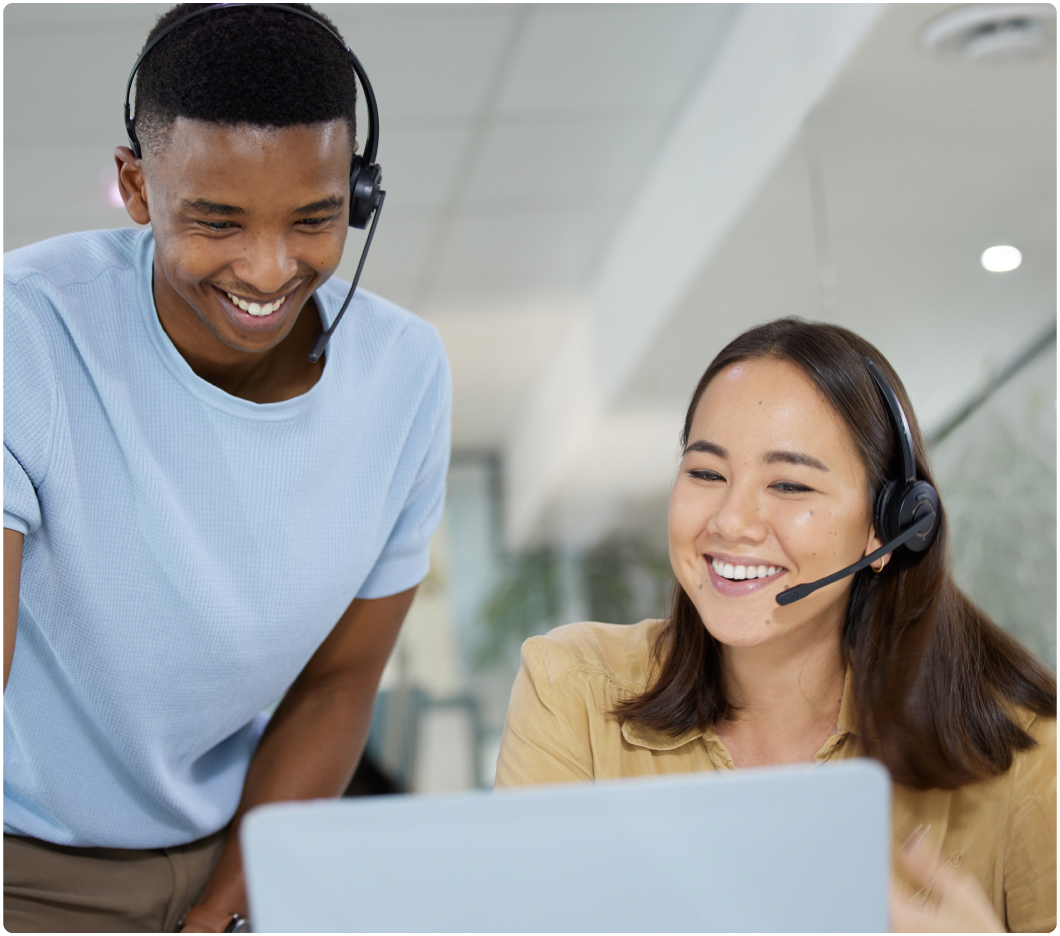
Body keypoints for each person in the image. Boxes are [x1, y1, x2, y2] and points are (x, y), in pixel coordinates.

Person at [3, 4, 450, 932]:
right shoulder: (30, 333)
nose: (268, 268)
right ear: (135, 187)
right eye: (218, 221)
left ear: (359, 197)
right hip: (27, 866)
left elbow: (339, 682)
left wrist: (223, 911)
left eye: (316, 218)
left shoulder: (406, 379)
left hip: (237, 851)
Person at [495, 318, 1058, 933]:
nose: (732, 522)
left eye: (789, 484)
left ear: (889, 525)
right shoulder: (576, 692)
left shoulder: (1025, 750)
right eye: (706, 473)